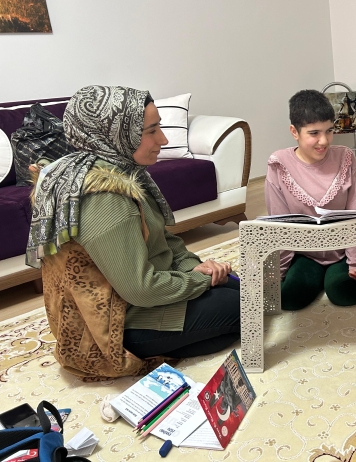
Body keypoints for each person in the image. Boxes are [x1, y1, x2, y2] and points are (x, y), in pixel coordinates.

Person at [28, 85, 240, 379]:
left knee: (234, 285)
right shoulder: (106, 197)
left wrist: (195, 267)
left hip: (135, 299)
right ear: (116, 133)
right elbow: (140, 289)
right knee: (244, 304)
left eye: (159, 127)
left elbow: (163, 238)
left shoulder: (120, 170)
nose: (163, 140)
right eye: (151, 131)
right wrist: (200, 280)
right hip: (116, 325)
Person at [264, 89, 356, 310]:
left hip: (341, 252)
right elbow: (280, 225)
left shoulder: (346, 158)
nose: (324, 141)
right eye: (314, 133)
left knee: (341, 292)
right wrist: (278, 274)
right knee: (289, 297)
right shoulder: (279, 164)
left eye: (329, 131)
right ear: (294, 132)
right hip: (304, 254)